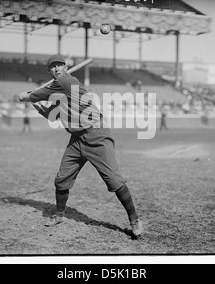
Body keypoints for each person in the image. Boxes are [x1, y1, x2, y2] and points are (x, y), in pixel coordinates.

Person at [17, 54, 143, 238]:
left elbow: (38, 95)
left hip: (96, 135)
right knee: (61, 180)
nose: (57, 69)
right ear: (49, 70)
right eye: (53, 67)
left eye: (60, 65)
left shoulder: (68, 81)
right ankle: (59, 215)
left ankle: (135, 220)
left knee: (114, 180)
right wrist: (38, 106)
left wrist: (27, 96)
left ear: (65, 68)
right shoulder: (59, 92)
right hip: (76, 140)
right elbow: (53, 114)